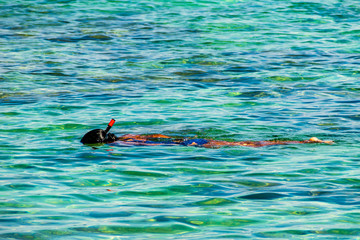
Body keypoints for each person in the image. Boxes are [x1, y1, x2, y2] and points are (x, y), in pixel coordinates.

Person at [80, 119, 333, 148]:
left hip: (190, 144)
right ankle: (302, 141)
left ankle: (305, 141)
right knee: (242, 143)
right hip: (186, 142)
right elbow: (158, 137)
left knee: (245, 145)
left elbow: (157, 143)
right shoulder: (128, 138)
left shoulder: (128, 145)